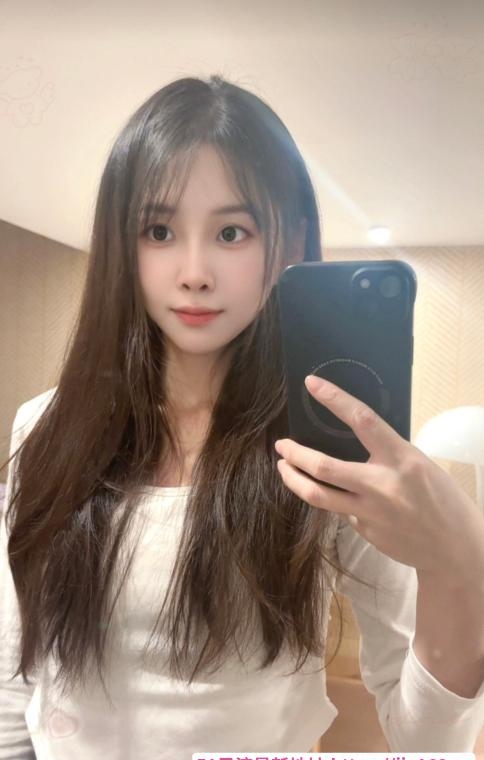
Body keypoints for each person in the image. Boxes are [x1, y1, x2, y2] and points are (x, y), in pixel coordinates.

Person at [1, 74, 483, 760]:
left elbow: (426, 738)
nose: (194, 272)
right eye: (159, 230)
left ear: (288, 244)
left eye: (232, 231)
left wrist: (460, 566)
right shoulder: (45, 425)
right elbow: (18, 660)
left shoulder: (325, 451)